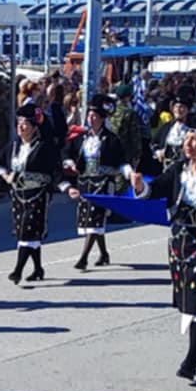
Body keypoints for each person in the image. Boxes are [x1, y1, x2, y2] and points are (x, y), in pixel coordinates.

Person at [128, 109, 196, 381]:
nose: (188, 145)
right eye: (187, 139)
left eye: (194, 140)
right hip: (180, 243)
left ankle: (191, 359)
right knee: (186, 297)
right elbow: (156, 191)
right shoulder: (178, 169)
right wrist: (141, 186)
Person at [62, 99, 130, 270]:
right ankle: (104, 253)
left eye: (94, 116)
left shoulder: (111, 139)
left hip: (104, 183)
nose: (91, 119)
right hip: (86, 183)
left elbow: (122, 161)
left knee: (95, 219)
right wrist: (70, 162)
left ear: (102, 119)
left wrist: (130, 174)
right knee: (91, 219)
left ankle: (83, 258)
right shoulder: (81, 138)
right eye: (89, 116)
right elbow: (66, 152)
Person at [0, 107, 60, 285]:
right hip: (18, 195)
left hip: (38, 194)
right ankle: (38, 269)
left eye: (25, 123)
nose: (21, 127)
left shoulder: (44, 147)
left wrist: (67, 187)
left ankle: (17, 270)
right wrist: (5, 175)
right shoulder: (14, 145)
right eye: (19, 123)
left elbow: (56, 169)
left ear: (34, 126)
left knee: (28, 232)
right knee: (27, 233)